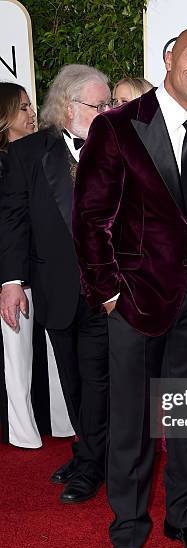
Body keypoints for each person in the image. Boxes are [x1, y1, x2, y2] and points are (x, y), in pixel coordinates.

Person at [73, 26, 187, 548]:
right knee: (132, 426)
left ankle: (182, 520)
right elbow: (90, 220)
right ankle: (127, 535)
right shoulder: (116, 126)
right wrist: (109, 293)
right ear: (169, 58)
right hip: (134, 303)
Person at [0, 65, 110, 502]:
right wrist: (10, 281)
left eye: (108, 105)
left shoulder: (119, 149)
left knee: (98, 379)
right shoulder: (26, 154)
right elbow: (13, 222)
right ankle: (88, 451)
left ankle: (93, 466)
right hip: (56, 289)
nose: (106, 112)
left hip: (108, 293)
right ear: (68, 107)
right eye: (97, 105)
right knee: (73, 380)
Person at [0, 82, 72, 448]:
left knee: (53, 350)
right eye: (22, 107)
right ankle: (21, 431)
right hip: (14, 275)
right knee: (16, 357)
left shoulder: (42, 153)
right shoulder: (6, 162)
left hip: (43, 270)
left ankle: (59, 423)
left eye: (31, 106)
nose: (32, 114)